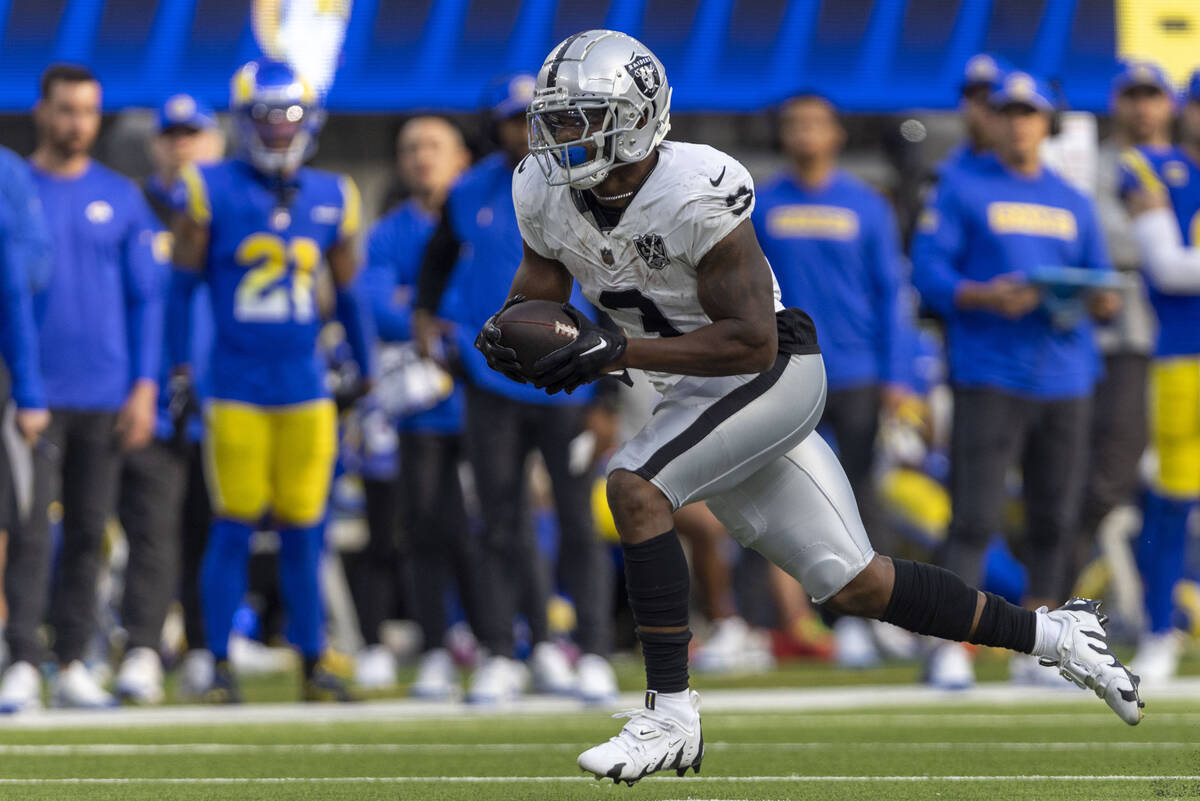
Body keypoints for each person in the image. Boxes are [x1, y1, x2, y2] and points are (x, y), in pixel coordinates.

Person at [478, 32, 1142, 783]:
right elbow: (539, 290)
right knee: (856, 581)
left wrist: (616, 352)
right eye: (555, 119)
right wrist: (514, 328)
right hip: (690, 390)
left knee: (635, 485)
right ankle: (1058, 635)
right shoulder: (542, 189)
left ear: (635, 118)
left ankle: (670, 716)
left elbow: (751, 341)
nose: (557, 137)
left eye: (579, 118)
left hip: (773, 372)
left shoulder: (697, 186)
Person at [166, 58, 374, 703]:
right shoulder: (208, 188)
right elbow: (180, 289)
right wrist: (179, 367)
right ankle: (216, 660)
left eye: (290, 118)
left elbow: (350, 294)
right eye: (267, 118)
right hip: (234, 386)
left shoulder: (333, 193)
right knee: (231, 526)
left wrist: (364, 371)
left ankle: (313, 659)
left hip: (306, 388)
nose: (281, 131)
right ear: (242, 121)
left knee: (305, 530)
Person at [911, 70, 1122, 689]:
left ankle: (1047, 647)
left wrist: (1101, 302)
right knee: (974, 516)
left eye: (1029, 112)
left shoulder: (1070, 198)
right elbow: (928, 274)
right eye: (1007, 112)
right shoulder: (958, 187)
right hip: (988, 373)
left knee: (1054, 516)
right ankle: (953, 645)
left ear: (1044, 123)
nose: (1019, 122)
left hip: (1065, 374)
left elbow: (1101, 278)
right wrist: (983, 295)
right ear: (993, 120)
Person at [414, 74, 617, 705]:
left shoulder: (588, 186)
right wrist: (426, 317)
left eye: (532, 119)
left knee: (579, 523)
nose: (522, 131)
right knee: (498, 520)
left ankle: (591, 650)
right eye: (511, 120)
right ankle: (502, 650)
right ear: (494, 126)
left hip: (571, 381)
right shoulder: (468, 189)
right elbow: (437, 261)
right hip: (491, 381)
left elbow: (614, 287)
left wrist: (608, 395)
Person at [0, 64, 162, 712]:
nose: (77, 124)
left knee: (90, 530)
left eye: (88, 112)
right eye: (66, 110)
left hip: (105, 390)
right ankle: (20, 659)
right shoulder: (17, 186)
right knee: (29, 531)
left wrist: (143, 385)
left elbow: (145, 302)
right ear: (42, 112)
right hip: (29, 392)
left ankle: (71, 659)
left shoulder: (122, 197)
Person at [755, 93, 914, 668]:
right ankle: (821, 622)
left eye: (815, 123)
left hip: (859, 373)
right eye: (793, 123)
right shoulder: (762, 204)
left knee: (863, 499)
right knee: (789, 497)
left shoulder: (867, 205)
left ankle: (883, 617)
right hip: (783, 375)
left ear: (837, 134)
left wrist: (900, 375)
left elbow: (891, 293)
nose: (804, 133)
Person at [355, 115, 478, 694]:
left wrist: (430, 311)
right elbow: (375, 308)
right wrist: (434, 316)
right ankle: (434, 644)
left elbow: (485, 297)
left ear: (460, 158)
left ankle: (507, 640)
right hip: (420, 404)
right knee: (422, 525)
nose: (421, 157)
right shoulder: (386, 233)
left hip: (485, 395)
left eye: (433, 146)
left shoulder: (485, 218)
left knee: (496, 526)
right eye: (410, 148)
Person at [113, 93, 223, 704]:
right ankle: (144, 649)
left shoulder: (233, 204)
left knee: (214, 531)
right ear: (157, 143)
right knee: (151, 533)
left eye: (193, 133)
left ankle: (207, 650)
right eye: (172, 133)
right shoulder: (135, 208)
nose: (182, 143)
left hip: (222, 395)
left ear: (214, 142)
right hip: (154, 396)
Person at [1120, 68, 1200, 682]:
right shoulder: (1151, 169)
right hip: (1182, 356)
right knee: (1172, 500)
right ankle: (1156, 630)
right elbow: (1169, 268)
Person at [1077, 62, 1165, 583]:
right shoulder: (1096, 166)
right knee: (1110, 474)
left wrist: (1149, 223)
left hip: (1182, 335)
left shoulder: (1183, 162)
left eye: (1151, 94)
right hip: (1124, 339)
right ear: (1116, 101)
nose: (1142, 106)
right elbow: (1107, 244)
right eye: (1133, 95)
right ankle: (1052, 592)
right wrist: (1160, 230)